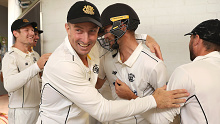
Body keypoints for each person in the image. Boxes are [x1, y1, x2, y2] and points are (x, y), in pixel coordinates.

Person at [38, 1, 188, 124]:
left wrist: (144, 37)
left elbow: (121, 38)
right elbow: (103, 111)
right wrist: (153, 100)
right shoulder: (64, 64)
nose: (86, 39)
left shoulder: (93, 47)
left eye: (93, 31)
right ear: (67, 28)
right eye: (78, 30)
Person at [134, 19, 220, 124]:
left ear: (197, 39)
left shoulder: (186, 72)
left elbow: (160, 120)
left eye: (190, 38)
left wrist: (132, 97)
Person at [95, 3, 168, 124]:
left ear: (122, 27)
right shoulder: (106, 59)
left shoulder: (154, 65)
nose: (104, 37)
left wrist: (132, 97)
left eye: (106, 31)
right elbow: (96, 84)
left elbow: (163, 108)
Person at [2, 19, 51, 124]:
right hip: (20, 112)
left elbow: (37, 81)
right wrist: (37, 66)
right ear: (16, 33)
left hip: (38, 108)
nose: (32, 33)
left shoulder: (35, 55)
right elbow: (9, 85)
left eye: (32, 30)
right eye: (26, 30)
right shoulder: (10, 57)